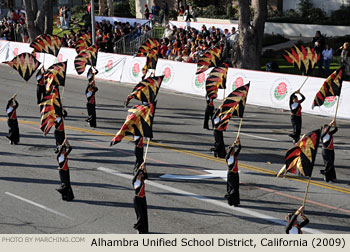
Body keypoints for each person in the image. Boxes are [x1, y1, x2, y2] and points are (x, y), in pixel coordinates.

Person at [225, 137, 241, 207]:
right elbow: (229, 151)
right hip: (230, 175)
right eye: (232, 150)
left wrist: (239, 142)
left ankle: (235, 202)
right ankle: (228, 196)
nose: (233, 151)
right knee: (233, 188)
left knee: (236, 188)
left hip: (236, 174)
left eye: (233, 150)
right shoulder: (228, 158)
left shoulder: (235, 155)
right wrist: (234, 143)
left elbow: (240, 148)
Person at [132, 163, 148, 234]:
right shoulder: (135, 182)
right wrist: (139, 169)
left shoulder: (142, 179)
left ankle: (143, 229)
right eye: (139, 174)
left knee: (144, 215)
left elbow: (146, 176)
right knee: (140, 216)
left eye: (141, 174)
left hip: (143, 198)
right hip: (137, 200)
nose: (141, 175)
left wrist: (144, 168)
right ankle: (137, 227)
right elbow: (136, 175)